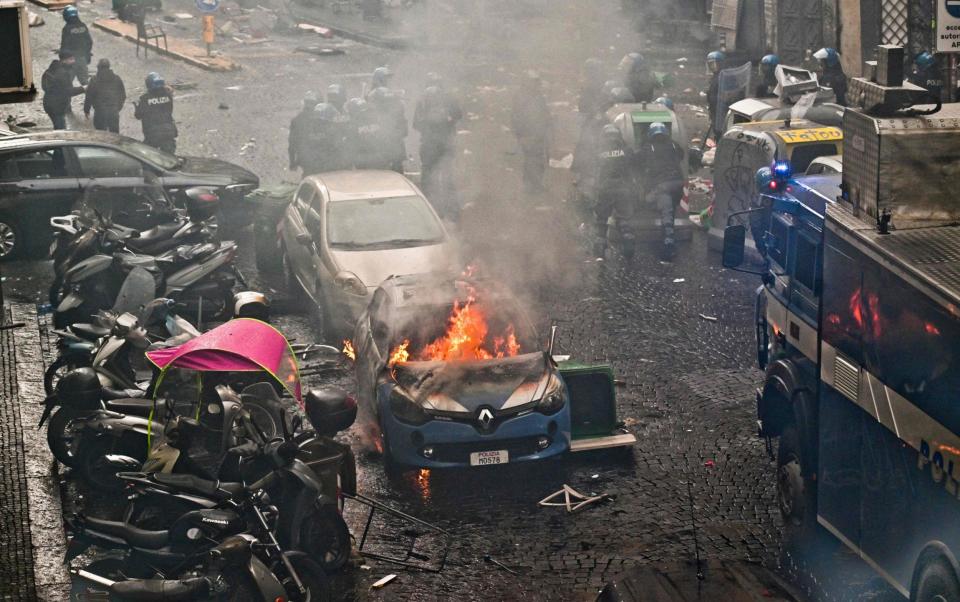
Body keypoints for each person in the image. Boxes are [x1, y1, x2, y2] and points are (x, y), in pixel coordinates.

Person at [413, 81, 463, 218]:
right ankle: (452, 210)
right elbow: (459, 115)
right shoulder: (449, 98)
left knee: (428, 175)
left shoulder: (422, 99)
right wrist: (447, 122)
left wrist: (428, 129)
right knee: (448, 175)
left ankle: (429, 209)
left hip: (429, 144)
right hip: (447, 143)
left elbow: (415, 124)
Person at [638, 122, 685, 260]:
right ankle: (668, 232)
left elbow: (636, 160)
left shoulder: (648, 147)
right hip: (678, 183)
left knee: (653, 202)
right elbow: (681, 155)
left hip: (662, 186)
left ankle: (669, 240)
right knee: (668, 203)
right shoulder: (673, 145)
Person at [593, 124, 636, 259]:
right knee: (624, 218)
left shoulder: (599, 151)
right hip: (623, 187)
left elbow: (593, 169)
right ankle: (628, 241)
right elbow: (634, 163)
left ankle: (600, 247)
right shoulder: (626, 150)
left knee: (602, 219)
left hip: (605, 188)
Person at [510, 70, 552, 194]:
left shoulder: (538, 96)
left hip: (538, 133)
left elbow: (544, 113)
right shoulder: (521, 97)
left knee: (536, 159)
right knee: (533, 159)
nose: (536, 85)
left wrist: (548, 123)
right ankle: (532, 186)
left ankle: (534, 185)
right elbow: (516, 117)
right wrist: (521, 135)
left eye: (537, 82)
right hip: (528, 134)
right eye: (534, 82)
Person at [299, 102, 349, 175]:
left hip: (310, 172)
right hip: (329, 173)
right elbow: (340, 151)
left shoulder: (306, 131)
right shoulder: (331, 132)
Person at [134, 72, 177, 154]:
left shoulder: (145, 98)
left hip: (152, 133)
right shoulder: (168, 95)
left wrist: (136, 107)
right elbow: (169, 110)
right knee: (169, 157)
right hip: (169, 130)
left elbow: (138, 115)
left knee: (146, 155)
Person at [41, 51, 85, 130]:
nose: (73, 61)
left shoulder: (50, 70)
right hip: (57, 106)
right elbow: (69, 91)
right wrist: (83, 89)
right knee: (60, 129)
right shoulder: (63, 73)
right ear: (64, 60)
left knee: (58, 126)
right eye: (71, 59)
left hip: (48, 103)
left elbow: (44, 86)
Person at [368, 87, 407, 172]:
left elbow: (404, 130)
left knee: (394, 171)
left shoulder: (396, 113)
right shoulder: (373, 114)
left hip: (393, 148)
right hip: (386, 149)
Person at [346, 97, 391, 169]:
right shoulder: (377, 120)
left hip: (363, 160)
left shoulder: (352, 125)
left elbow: (350, 144)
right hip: (379, 158)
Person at [83, 59, 125, 133]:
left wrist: (86, 110)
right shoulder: (117, 78)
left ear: (98, 67)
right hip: (113, 112)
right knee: (115, 135)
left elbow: (89, 96)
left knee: (101, 135)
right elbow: (123, 95)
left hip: (100, 112)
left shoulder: (94, 80)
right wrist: (117, 107)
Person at [60, 6, 93, 85]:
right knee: (85, 83)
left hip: (70, 60)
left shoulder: (67, 28)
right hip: (82, 58)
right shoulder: (83, 26)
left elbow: (65, 45)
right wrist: (87, 54)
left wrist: (62, 58)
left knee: (66, 83)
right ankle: (93, 96)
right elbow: (89, 42)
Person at [288, 91, 319, 172]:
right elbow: (292, 143)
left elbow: (292, 143)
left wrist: (292, 162)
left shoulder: (297, 120)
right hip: (313, 159)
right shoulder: (322, 119)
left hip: (307, 159)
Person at [706, 50, 726, 135]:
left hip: (721, 110)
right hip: (715, 110)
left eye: (714, 64)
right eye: (710, 64)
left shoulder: (725, 76)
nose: (712, 67)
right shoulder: (714, 77)